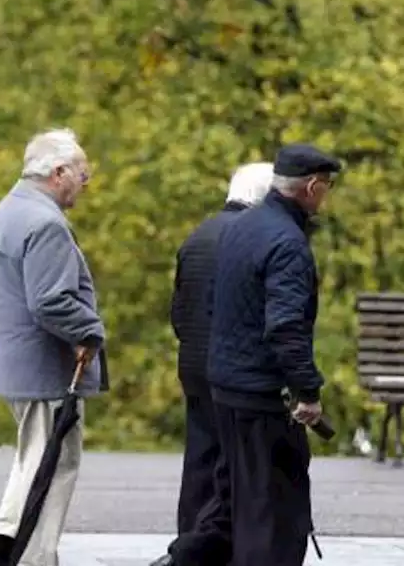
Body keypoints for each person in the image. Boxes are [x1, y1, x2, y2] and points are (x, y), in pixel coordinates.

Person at [0, 129, 108, 566]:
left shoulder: (7, 210)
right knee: (54, 464)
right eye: (82, 175)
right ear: (58, 172)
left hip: (18, 364)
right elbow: (50, 301)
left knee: (34, 454)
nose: (85, 185)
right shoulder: (45, 223)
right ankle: (34, 555)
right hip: (46, 367)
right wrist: (92, 329)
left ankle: (3, 533)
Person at [204, 143, 340, 566]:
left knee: (242, 509)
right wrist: (308, 391)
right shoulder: (288, 243)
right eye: (327, 188)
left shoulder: (242, 226)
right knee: (276, 518)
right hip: (264, 398)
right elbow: (285, 326)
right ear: (312, 187)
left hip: (227, 388)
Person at [148, 162, 276, 566]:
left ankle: (188, 538)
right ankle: (205, 549)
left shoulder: (198, 236)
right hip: (232, 369)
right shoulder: (251, 239)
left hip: (194, 364)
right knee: (237, 466)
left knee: (200, 459)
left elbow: (179, 309)